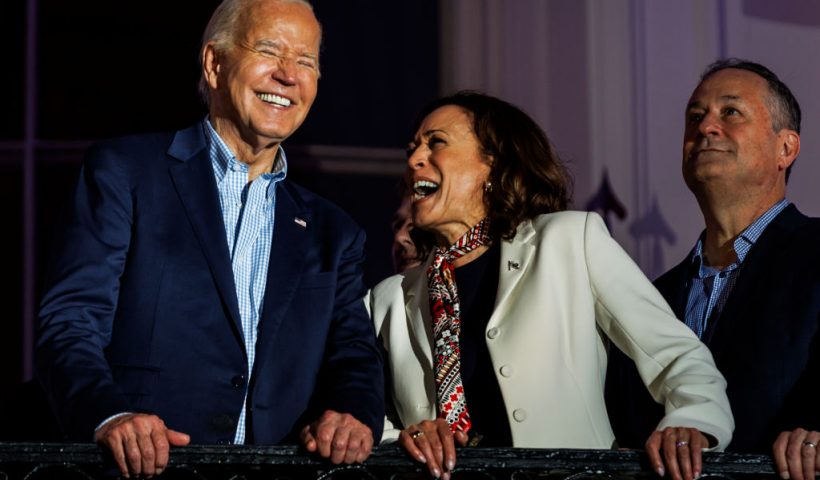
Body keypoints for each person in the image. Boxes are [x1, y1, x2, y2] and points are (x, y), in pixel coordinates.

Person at [35, 0, 383, 477]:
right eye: (269, 50)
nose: (288, 75)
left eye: (306, 62)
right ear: (215, 64)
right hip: (141, 471)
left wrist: (353, 413)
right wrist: (108, 414)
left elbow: (354, 356)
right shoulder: (126, 174)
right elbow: (71, 323)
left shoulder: (334, 231)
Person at [368, 91, 734, 480]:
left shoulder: (570, 241)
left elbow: (677, 356)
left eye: (436, 142)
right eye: (413, 148)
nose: (414, 160)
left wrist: (692, 424)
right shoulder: (388, 299)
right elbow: (362, 419)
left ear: (492, 164)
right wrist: (403, 438)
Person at [604, 59, 820, 480]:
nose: (706, 128)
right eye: (695, 117)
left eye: (731, 112)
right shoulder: (652, 297)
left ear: (786, 148)